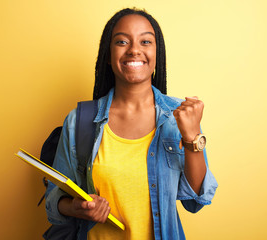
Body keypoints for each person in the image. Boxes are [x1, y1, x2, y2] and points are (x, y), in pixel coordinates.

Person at [45, 7, 218, 240]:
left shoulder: (179, 117)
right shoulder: (79, 120)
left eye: (145, 41)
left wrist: (192, 137)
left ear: (157, 54)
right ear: (108, 55)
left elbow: (196, 200)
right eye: (122, 42)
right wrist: (76, 208)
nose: (135, 50)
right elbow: (54, 198)